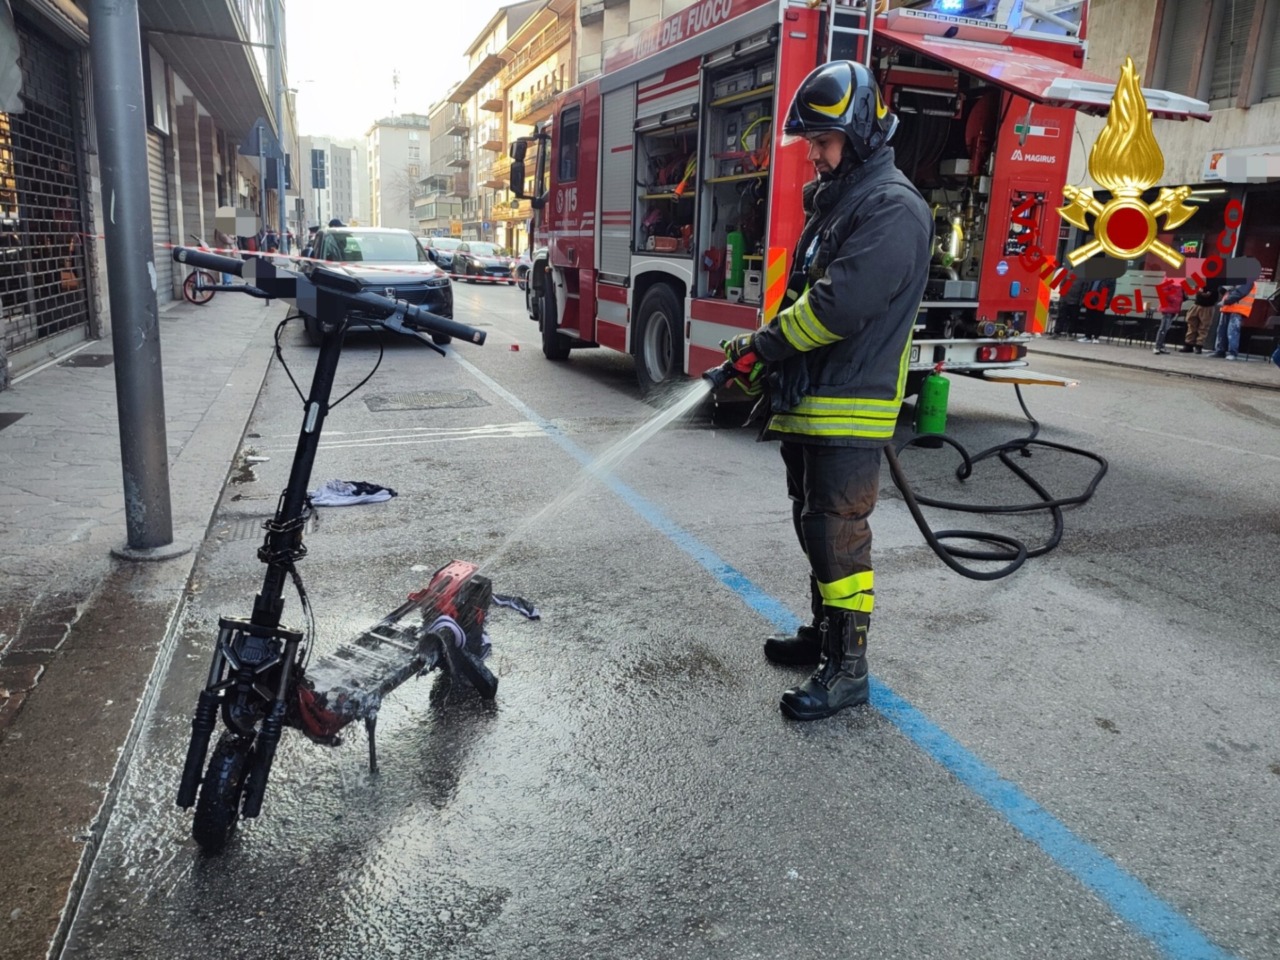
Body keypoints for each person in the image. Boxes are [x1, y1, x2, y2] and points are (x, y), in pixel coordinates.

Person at [717, 61, 932, 721]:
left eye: (823, 140)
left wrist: (766, 346)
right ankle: (822, 637)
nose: (813, 152)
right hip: (813, 400)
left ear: (861, 132)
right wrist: (756, 355)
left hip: (849, 405)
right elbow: (803, 295)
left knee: (839, 536)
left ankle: (847, 669)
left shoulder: (892, 207)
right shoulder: (844, 203)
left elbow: (838, 307)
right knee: (816, 528)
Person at [1211, 278, 1255, 360]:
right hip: (1227, 308)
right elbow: (1224, 291)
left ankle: (1232, 353)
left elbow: (1240, 293)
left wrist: (1225, 301)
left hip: (1237, 309)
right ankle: (1220, 351)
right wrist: (1223, 287)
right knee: (1222, 331)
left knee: (1232, 332)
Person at [1182, 283, 1220, 353]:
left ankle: (1198, 346)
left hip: (1207, 306)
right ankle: (1189, 344)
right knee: (1192, 325)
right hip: (1198, 304)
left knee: (1204, 327)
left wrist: (1202, 292)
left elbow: (1209, 294)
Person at [1154, 275, 1185, 355]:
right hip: (1169, 306)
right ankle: (1157, 346)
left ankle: (1160, 346)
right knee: (1164, 327)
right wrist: (1174, 299)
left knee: (1166, 328)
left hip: (1174, 307)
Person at [1078, 276, 1115, 343]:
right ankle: (1087, 336)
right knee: (1089, 318)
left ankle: (1096, 337)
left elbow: (1111, 291)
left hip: (1102, 299)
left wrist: (1107, 302)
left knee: (1098, 319)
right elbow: (1087, 286)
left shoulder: (1110, 278)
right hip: (1090, 298)